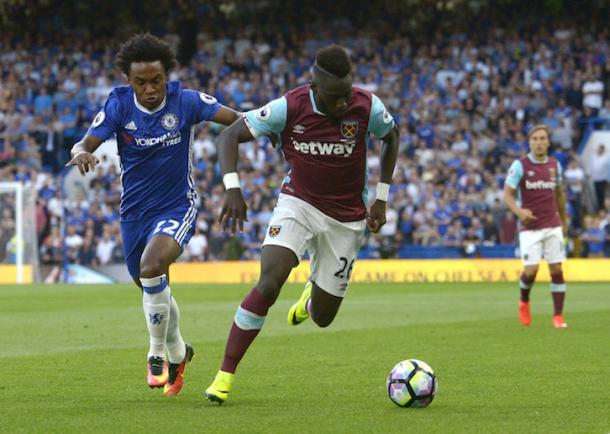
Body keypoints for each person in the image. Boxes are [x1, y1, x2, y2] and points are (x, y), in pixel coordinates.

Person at [204, 45, 399, 404]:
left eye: (346, 94)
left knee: (323, 318)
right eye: (335, 97)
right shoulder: (288, 107)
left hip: (347, 218)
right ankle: (224, 376)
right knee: (269, 281)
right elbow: (229, 135)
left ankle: (312, 294)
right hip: (299, 203)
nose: (343, 104)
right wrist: (233, 189)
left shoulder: (366, 105)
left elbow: (391, 137)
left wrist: (382, 197)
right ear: (314, 84)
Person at [67, 33, 243, 395]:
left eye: (156, 81)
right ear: (128, 82)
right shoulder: (118, 105)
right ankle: (180, 350)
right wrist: (82, 152)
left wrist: (274, 125)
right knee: (150, 283)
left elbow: (238, 121)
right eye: (141, 82)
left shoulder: (187, 101)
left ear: (167, 77)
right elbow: (85, 141)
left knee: (151, 267)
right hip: (134, 212)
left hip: (178, 205)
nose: (150, 89)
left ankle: (157, 353)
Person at [503, 125, 569, 329]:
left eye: (542, 139)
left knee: (556, 267)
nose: (539, 142)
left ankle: (558, 316)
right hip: (529, 226)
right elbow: (507, 195)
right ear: (529, 142)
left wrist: (564, 218)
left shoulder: (554, 165)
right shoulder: (520, 165)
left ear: (548, 142)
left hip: (552, 224)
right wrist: (519, 212)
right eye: (535, 139)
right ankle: (524, 301)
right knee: (531, 270)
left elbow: (558, 194)